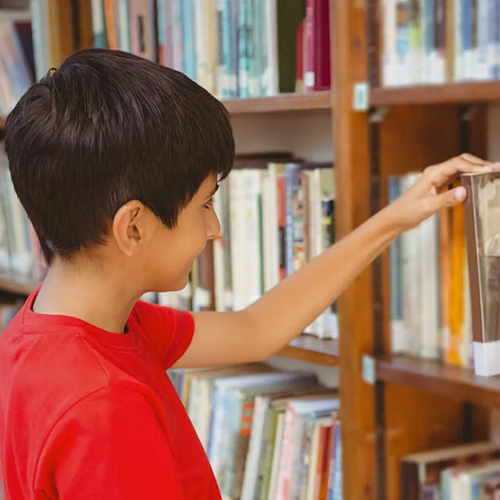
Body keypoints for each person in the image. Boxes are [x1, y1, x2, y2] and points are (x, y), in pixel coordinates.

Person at [0, 49, 495, 500]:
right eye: (205, 204)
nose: (214, 229)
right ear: (134, 227)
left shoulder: (45, 331)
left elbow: (255, 330)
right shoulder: (105, 406)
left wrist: (393, 218)